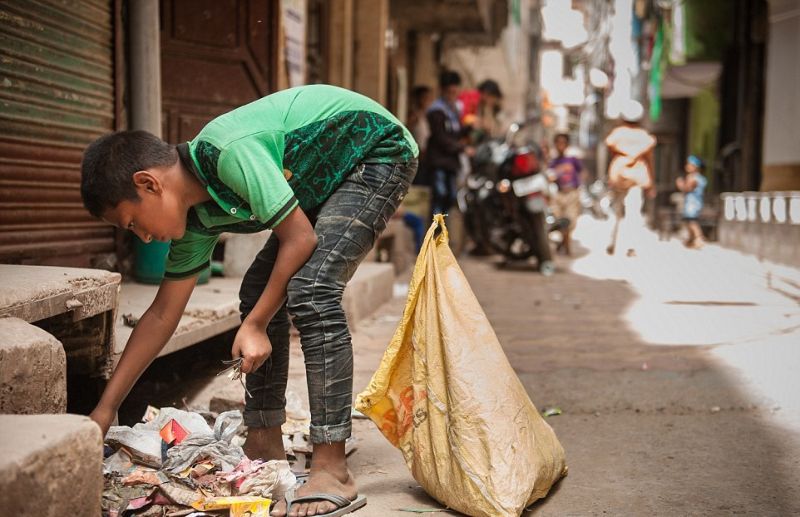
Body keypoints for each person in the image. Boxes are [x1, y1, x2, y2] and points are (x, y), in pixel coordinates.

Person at [80, 84, 418, 517]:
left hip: (374, 149)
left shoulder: (228, 152)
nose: (143, 237)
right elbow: (162, 315)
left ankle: (332, 465)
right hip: (322, 178)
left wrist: (256, 324)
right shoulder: (197, 219)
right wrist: (104, 410)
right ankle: (264, 438)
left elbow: (300, 238)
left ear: (148, 183)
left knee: (312, 289)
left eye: (133, 223)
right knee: (260, 291)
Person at [604, 101, 656, 257]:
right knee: (634, 212)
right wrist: (651, 182)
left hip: (618, 176)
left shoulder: (617, 133)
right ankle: (631, 246)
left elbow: (610, 149)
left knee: (616, 211)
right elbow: (649, 159)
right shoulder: (644, 136)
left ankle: (611, 243)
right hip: (637, 177)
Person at [425, 70, 474, 217]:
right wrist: (463, 148)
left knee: (451, 196)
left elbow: (455, 134)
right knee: (440, 194)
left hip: (451, 162)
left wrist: (469, 128)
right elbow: (441, 137)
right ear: (443, 90)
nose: (453, 94)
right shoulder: (437, 110)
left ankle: (441, 231)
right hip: (439, 161)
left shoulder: (453, 110)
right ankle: (435, 232)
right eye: (450, 91)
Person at [547, 133, 584, 256]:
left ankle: (566, 247)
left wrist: (578, 187)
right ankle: (564, 245)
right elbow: (550, 176)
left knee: (569, 221)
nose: (560, 146)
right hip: (559, 194)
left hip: (572, 194)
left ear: (567, 145)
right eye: (558, 143)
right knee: (560, 222)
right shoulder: (553, 162)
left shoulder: (573, 160)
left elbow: (582, 172)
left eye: (563, 143)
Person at [676, 155, 708, 249]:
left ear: (695, 167)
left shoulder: (694, 178)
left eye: (689, 164)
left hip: (693, 203)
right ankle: (691, 239)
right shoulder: (695, 177)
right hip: (691, 202)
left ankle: (699, 238)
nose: (687, 166)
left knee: (692, 221)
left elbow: (687, 189)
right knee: (688, 221)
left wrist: (680, 184)